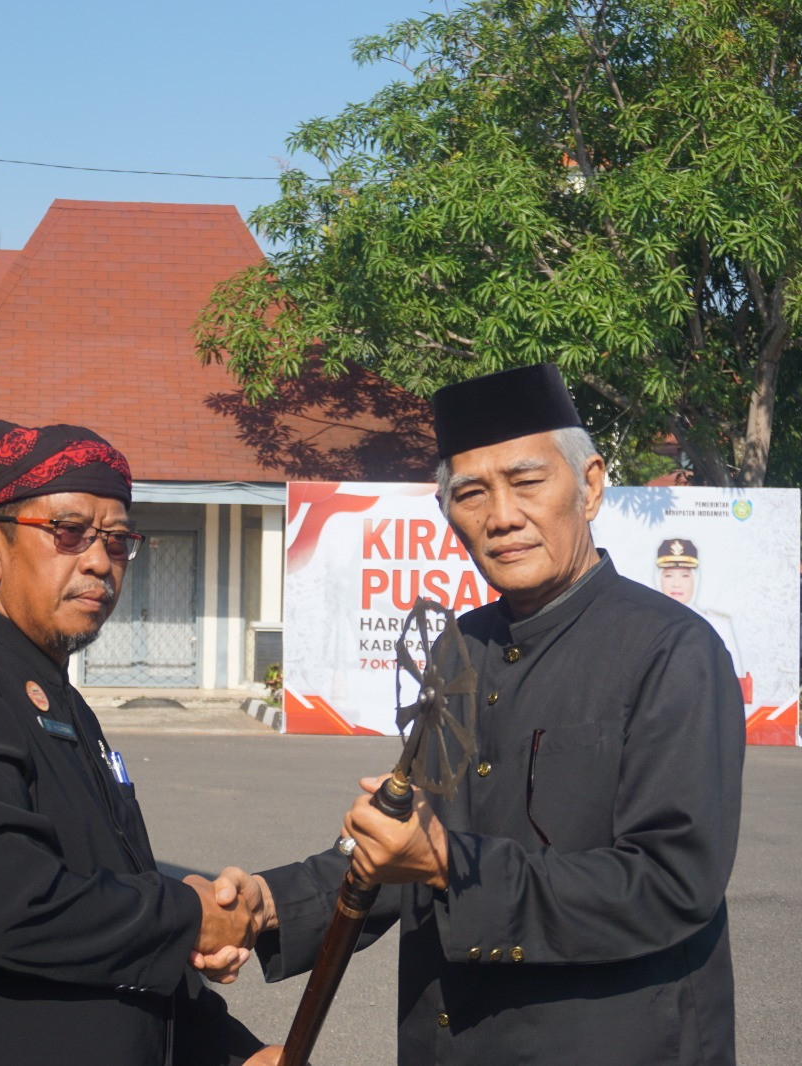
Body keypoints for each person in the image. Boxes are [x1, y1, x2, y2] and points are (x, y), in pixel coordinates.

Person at [204, 364, 746, 1064]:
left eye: (526, 482)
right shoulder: (460, 649)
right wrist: (264, 906)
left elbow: (671, 884)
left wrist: (447, 861)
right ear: (446, 512)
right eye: (470, 493)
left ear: (590, 486)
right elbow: (410, 840)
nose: (501, 517)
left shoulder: (671, 651)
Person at [0, 420, 274, 1065]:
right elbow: (14, 904)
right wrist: (190, 916)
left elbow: (118, 897)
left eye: (117, 539)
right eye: (69, 531)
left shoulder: (62, 697)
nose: (100, 560)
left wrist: (234, 1051)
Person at [655, 537, 745, 688]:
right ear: (659, 579)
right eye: (669, 575)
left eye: (685, 575)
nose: (676, 584)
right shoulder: (646, 624)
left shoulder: (719, 625)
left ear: (696, 579)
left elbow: (735, 683)